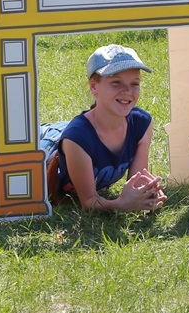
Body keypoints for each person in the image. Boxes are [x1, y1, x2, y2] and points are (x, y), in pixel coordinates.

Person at [52, 44, 166, 212]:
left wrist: (147, 193)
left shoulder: (141, 123)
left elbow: (138, 181)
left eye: (135, 83)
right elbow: (89, 201)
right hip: (48, 143)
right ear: (94, 87)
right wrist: (119, 204)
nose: (127, 91)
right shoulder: (77, 138)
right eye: (116, 83)